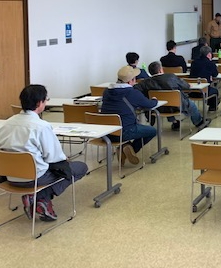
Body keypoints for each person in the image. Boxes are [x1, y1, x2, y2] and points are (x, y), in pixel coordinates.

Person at [0, 85, 88, 221]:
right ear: (39, 103)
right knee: (79, 168)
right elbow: (54, 158)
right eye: (46, 100)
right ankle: (41, 197)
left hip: (9, 177)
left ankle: (37, 198)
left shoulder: (6, 124)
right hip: (35, 177)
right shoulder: (41, 126)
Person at [101, 66, 158, 165]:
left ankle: (125, 147)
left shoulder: (107, 91)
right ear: (131, 80)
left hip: (106, 133)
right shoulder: (132, 93)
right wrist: (154, 99)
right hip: (125, 131)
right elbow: (150, 104)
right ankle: (128, 149)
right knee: (152, 131)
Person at [135, 62, 210, 129]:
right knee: (191, 105)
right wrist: (188, 85)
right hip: (176, 106)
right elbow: (185, 86)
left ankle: (174, 122)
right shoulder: (171, 77)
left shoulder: (146, 82)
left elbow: (136, 88)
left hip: (159, 107)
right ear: (160, 70)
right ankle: (199, 122)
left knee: (168, 101)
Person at [188, 46, 219, 111]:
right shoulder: (210, 64)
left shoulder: (194, 62)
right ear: (209, 54)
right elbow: (215, 74)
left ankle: (211, 105)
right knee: (215, 91)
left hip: (192, 91)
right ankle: (212, 107)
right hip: (204, 92)